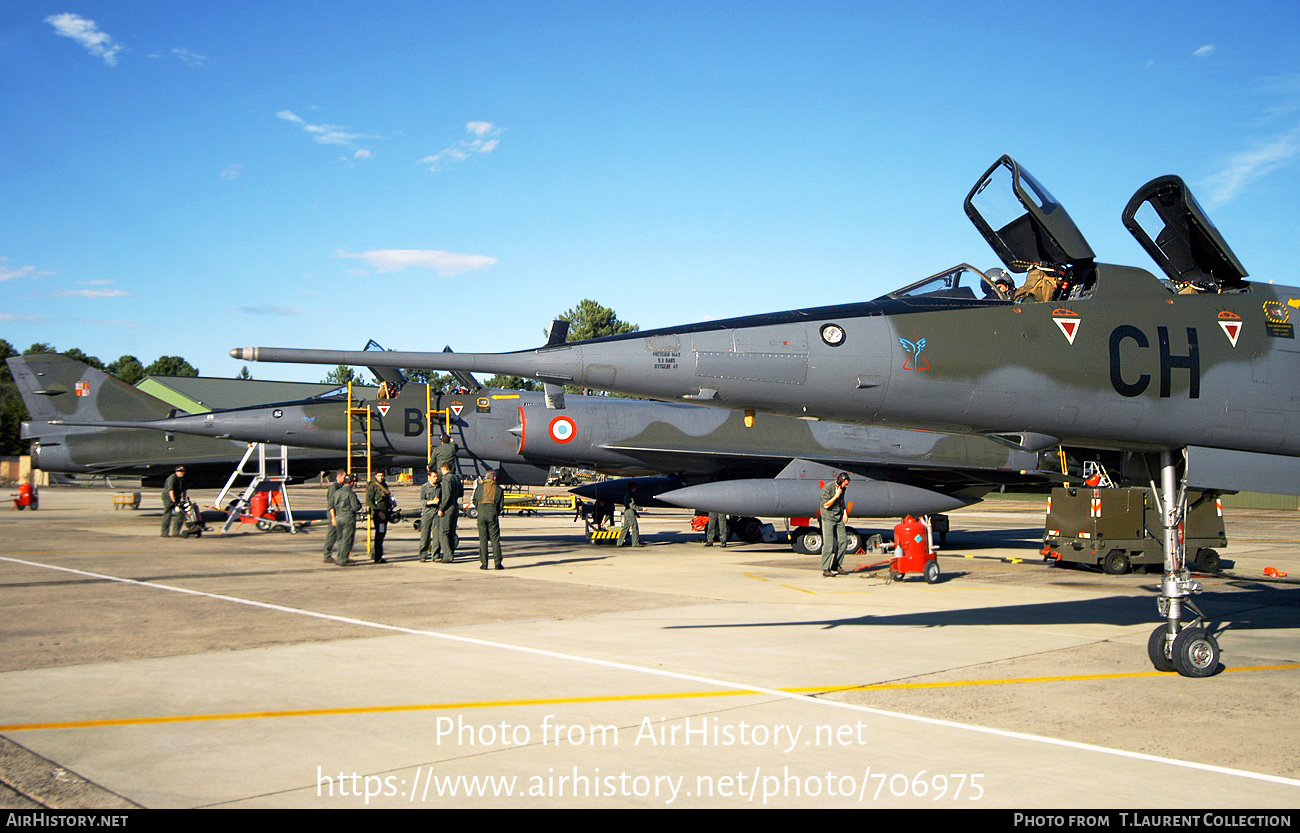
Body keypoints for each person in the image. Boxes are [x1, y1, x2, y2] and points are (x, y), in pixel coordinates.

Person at [327, 470, 362, 566]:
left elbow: (331, 506)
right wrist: (360, 505)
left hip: (338, 517)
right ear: (351, 483)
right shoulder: (350, 493)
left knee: (340, 539)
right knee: (347, 539)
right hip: (348, 517)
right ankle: (343, 559)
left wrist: (333, 518)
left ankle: (340, 557)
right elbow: (355, 507)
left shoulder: (337, 492)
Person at [472, 469, 505, 569]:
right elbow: (501, 505)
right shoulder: (499, 489)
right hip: (492, 514)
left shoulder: (479, 488)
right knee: (495, 539)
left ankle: (484, 563)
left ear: (486, 477)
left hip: (481, 514)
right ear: (494, 478)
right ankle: (497, 563)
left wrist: (480, 509)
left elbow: (474, 500)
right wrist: (495, 512)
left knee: (483, 539)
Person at [820, 472, 851, 576]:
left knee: (843, 542)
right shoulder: (828, 488)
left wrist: (845, 512)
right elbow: (826, 505)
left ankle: (836, 565)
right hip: (828, 517)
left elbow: (841, 501)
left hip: (838, 517)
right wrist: (836, 495)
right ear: (839, 481)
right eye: (845, 484)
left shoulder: (843, 488)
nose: (846, 486)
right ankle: (825, 568)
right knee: (829, 544)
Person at [436, 461, 463, 562]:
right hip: (455, 506)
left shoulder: (446, 479)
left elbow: (447, 495)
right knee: (452, 531)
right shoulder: (456, 478)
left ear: (444, 468)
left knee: (443, 532)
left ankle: (447, 555)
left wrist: (441, 508)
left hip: (448, 507)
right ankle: (451, 552)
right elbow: (461, 493)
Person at [365, 470, 393, 564]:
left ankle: (375, 553)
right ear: (375, 476)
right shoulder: (373, 486)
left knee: (382, 534)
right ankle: (378, 557)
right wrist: (378, 512)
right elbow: (369, 501)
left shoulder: (384, 485)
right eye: (379, 475)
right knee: (379, 535)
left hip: (385, 513)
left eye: (382, 475)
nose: (381, 477)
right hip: (378, 514)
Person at [322, 469, 347, 563]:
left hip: (340, 513)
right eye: (344, 477)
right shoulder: (334, 487)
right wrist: (333, 517)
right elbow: (331, 503)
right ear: (339, 476)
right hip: (334, 513)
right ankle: (327, 554)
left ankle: (341, 555)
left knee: (341, 535)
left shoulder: (342, 486)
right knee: (332, 535)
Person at [418, 466, 441, 562]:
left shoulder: (440, 487)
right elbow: (423, 501)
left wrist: (440, 507)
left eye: (436, 476)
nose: (436, 478)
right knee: (425, 535)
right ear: (429, 477)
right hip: (427, 513)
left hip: (436, 513)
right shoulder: (424, 487)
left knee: (436, 535)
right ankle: (423, 555)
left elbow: (442, 499)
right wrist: (431, 502)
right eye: (434, 476)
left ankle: (435, 555)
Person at [160, 466, 187, 537]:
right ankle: (164, 533)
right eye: (181, 471)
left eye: (183, 471)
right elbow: (170, 490)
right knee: (167, 514)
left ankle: (176, 532)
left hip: (177, 498)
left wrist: (184, 499)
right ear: (176, 471)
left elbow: (184, 490)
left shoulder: (182, 479)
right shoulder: (172, 478)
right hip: (168, 498)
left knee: (180, 514)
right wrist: (174, 501)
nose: (182, 472)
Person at [618, 482, 643, 547]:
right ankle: (635, 543)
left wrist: (636, 514)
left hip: (627, 511)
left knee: (625, 528)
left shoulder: (627, 494)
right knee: (635, 527)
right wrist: (641, 509)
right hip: (630, 512)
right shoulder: (630, 495)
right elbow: (632, 505)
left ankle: (619, 542)